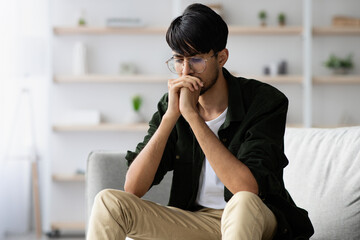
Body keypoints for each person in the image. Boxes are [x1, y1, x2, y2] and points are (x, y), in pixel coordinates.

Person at [87, 3, 314, 240]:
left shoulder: (264, 101)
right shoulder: (172, 104)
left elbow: (246, 188)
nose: (185, 71)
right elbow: (133, 188)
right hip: (195, 222)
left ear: (221, 57)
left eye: (196, 59)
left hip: (254, 218)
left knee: (243, 201)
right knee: (108, 202)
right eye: (178, 59)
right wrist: (170, 118)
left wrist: (193, 117)